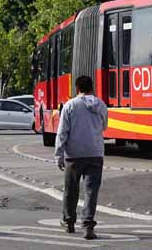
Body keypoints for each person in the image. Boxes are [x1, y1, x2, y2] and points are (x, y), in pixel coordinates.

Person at [55, 76, 108, 240]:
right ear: (92, 88)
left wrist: (59, 154)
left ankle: (69, 222)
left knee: (71, 189)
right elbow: (104, 126)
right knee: (91, 191)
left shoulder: (70, 105)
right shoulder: (101, 105)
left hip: (74, 154)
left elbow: (62, 132)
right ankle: (88, 226)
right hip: (95, 153)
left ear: (77, 89)